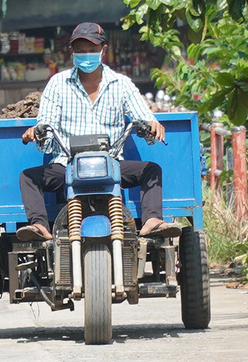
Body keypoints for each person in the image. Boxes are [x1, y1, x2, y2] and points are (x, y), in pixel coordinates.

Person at [16, 22, 176, 241]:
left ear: (104, 50)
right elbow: (47, 128)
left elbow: (143, 117)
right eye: (80, 51)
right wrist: (37, 132)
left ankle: (152, 220)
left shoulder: (122, 84)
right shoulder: (57, 84)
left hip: (112, 164)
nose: (86, 55)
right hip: (67, 166)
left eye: (92, 50)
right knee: (28, 177)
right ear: (71, 52)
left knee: (152, 170)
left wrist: (152, 126)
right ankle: (39, 225)